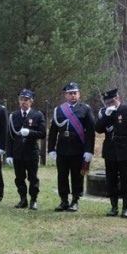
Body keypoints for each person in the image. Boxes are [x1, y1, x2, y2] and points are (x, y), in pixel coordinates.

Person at [47, 82, 95, 212]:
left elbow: (90, 132)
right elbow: (53, 131)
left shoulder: (85, 109)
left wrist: (89, 150)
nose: (73, 95)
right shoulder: (59, 110)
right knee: (62, 176)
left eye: (75, 93)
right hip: (62, 148)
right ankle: (64, 201)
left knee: (77, 176)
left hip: (78, 149)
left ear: (79, 94)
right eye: (70, 93)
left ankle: (75, 200)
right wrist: (51, 149)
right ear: (65, 95)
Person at [94, 89, 127, 218]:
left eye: (112, 101)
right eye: (107, 102)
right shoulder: (104, 112)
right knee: (111, 179)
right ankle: (114, 206)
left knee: (125, 179)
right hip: (110, 150)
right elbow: (98, 129)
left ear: (117, 98)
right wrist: (106, 116)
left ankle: (126, 207)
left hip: (124, 150)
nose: (110, 104)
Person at [7, 89, 46, 210]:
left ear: (31, 101)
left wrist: (30, 132)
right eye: (21, 99)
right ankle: (22, 199)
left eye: (26, 100)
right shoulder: (13, 115)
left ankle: (33, 200)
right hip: (18, 152)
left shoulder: (37, 115)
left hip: (31, 152)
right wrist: (9, 154)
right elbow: (9, 136)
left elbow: (42, 133)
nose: (23, 102)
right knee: (19, 178)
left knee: (33, 178)